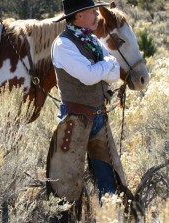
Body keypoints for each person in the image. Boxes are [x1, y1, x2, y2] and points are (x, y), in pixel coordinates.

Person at [47, 0, 128, 221]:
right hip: (73, 121)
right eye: (93, 12)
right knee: (66, 185)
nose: (97, 15)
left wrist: (101, 68)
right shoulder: (63, 45)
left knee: (108, 179)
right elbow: (89, 75)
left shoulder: (90, 40)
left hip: (97, 118)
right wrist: (105, 66)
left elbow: (112, 73)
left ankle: (109, 217)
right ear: (80, 15)